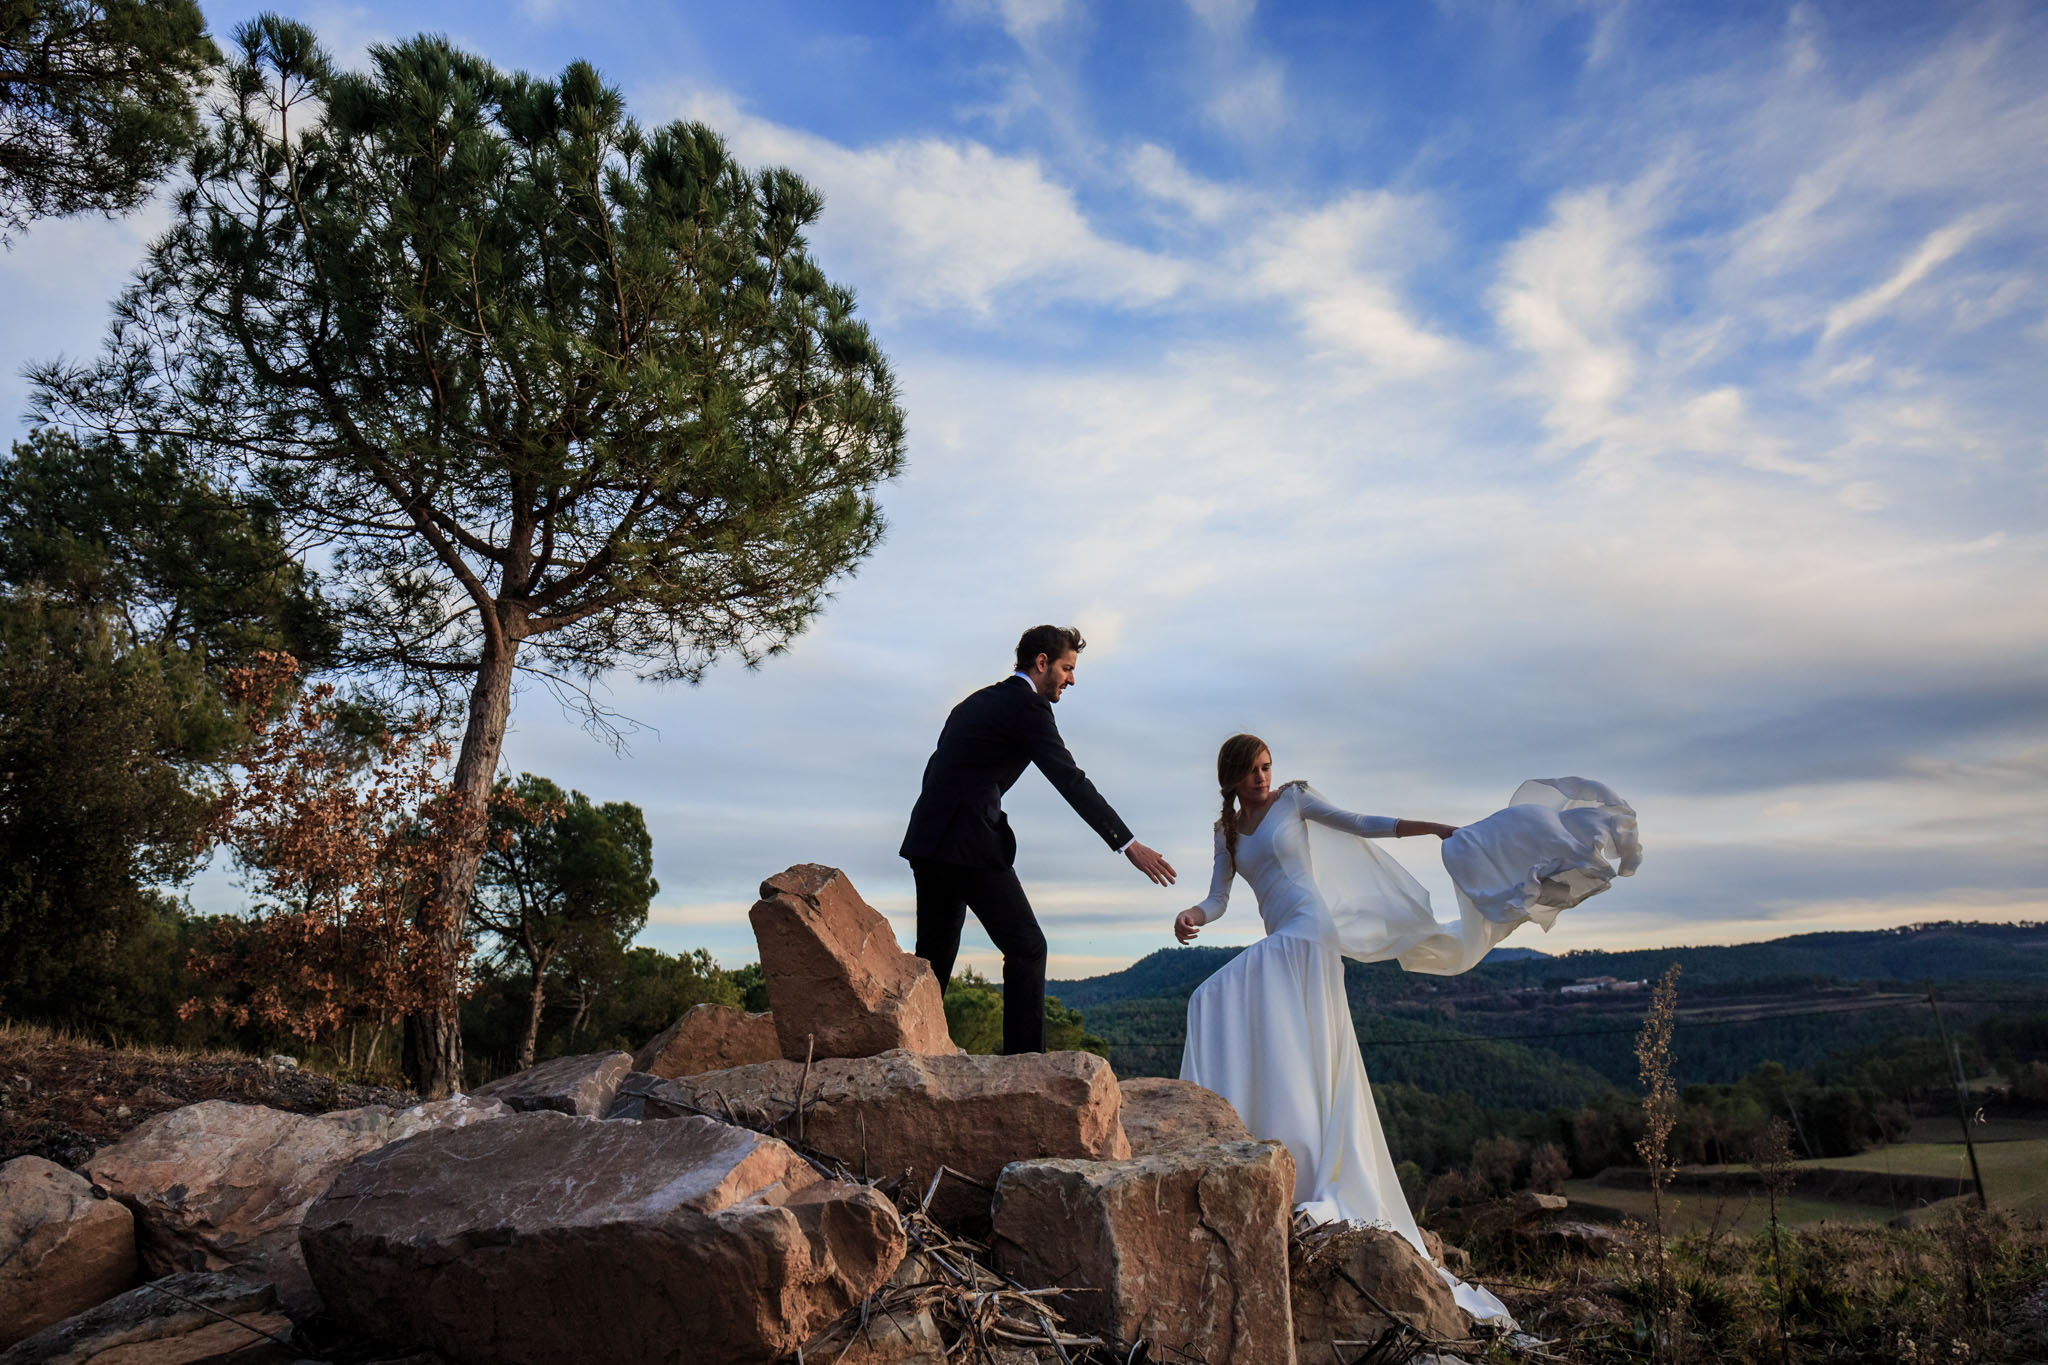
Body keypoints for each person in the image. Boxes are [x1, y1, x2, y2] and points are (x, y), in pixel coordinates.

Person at [1173, 734, 1641, 1326]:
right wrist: (1193, 914)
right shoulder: (1227, 833)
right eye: (1252, 770)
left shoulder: (1294, 799)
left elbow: (1361, 823)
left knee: (1219, 995)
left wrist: (1431, 829)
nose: (1263, 777)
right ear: (1232, 778)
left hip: (1308, 930)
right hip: (1281, 938)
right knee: (1220, 1006)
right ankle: (1270, 1135)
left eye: (1268, 767)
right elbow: (1217, 900)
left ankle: (1299, 1156)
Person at [901, 625, 1176, 1054]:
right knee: (1028, 948)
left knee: (933, 961)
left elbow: (936, 769)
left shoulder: (972, 703)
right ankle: (1026, 1067)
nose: (1071, 679)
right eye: (1067, 668)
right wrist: (1128, 844)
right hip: (970, 844)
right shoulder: (1028, 708)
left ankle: (908, 1053)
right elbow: (1070, 780)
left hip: (929, 842)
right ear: (1042, 662)